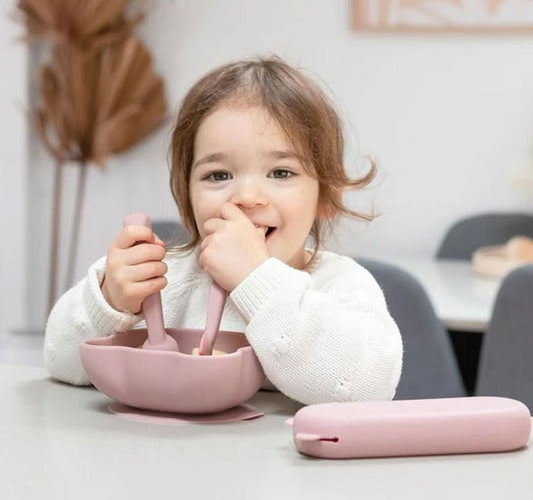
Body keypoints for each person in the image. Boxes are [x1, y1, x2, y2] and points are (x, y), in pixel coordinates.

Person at [44, 56, 402, 405]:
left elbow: (368, 387)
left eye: (281, 172)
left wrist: (256, 279)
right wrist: (110, 302)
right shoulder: (163, 283)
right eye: (219, 176)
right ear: (187, 197)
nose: (246, 197)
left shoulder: (340, 285)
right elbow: (60, 360)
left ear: (326, 195)